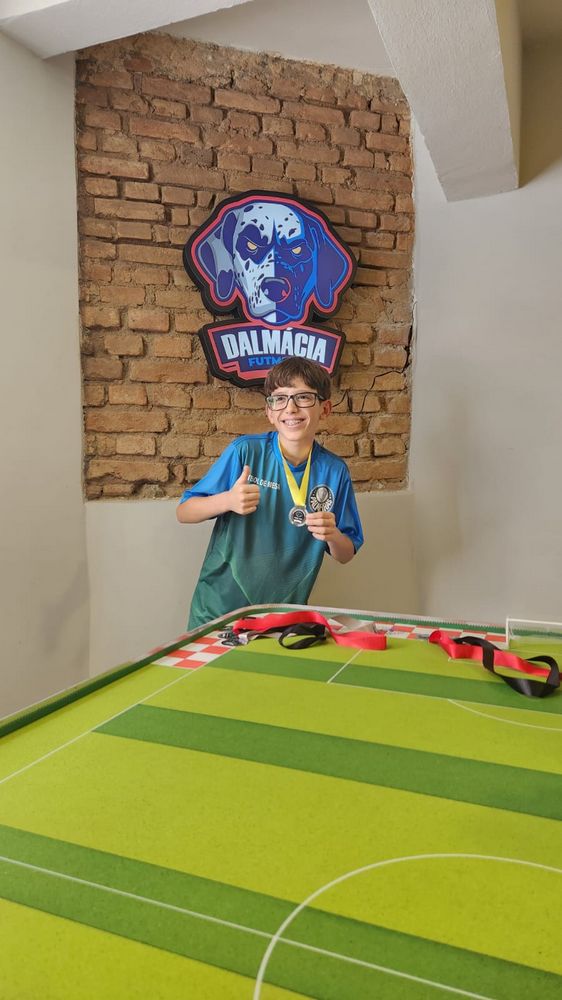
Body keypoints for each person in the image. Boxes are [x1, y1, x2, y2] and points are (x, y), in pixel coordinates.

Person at [177, 357, 363, 630]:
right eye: (280, 399)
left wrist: (332, 534)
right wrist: (227, 500)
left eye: (303, 397)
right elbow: (184, 512)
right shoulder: (245, 452)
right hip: (219, 609)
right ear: (270, 412)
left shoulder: (334, 471)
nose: (291, 408)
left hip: (283, 615)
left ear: (325, 409)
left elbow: (345, 554)